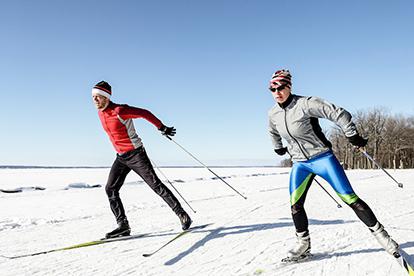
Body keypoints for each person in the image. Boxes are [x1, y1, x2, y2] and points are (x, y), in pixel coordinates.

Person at [267, 70, 399, 260]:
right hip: (300, 164)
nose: (276, 92)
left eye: (280, 87)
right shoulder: (273, 113)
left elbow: (339, 113)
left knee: (351, 200)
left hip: (322, 159)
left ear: (289, 87)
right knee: (295, 205)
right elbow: (272, 131)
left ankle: (384, 238)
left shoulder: (306, 104)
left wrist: (351, 133)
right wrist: (277, 147)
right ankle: (303, 245)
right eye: (272, 88)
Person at [92, 81, 192, 239]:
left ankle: (182, 215)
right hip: (121, 157)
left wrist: (161, 127)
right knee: (110, 189)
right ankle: (123, 226)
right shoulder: (100, 113)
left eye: (98, 97)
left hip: (136, 154)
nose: (94, 100)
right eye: (93, 97)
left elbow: (145, 113)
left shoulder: (120, 110)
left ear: (106, 97)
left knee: (156, 185)